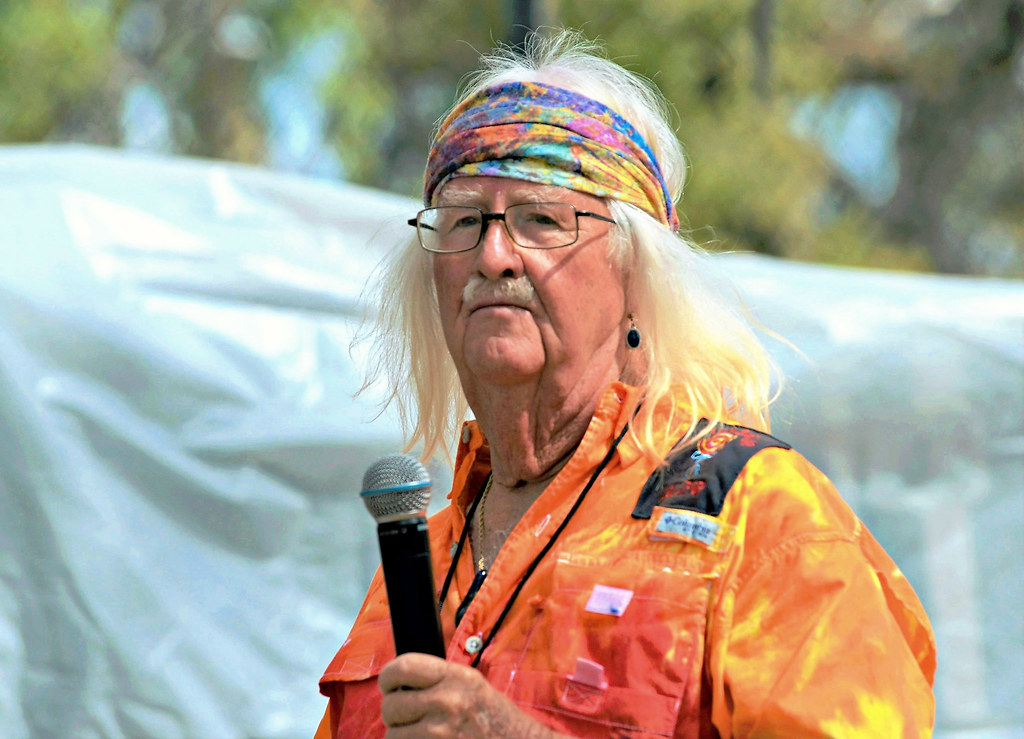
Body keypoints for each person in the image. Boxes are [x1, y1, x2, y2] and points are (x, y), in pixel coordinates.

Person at [316, 30, 936, 738]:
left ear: (637, 273)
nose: (493, 254)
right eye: (462, 221)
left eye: (540, 219)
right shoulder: (413, 568)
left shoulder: (757, 519)